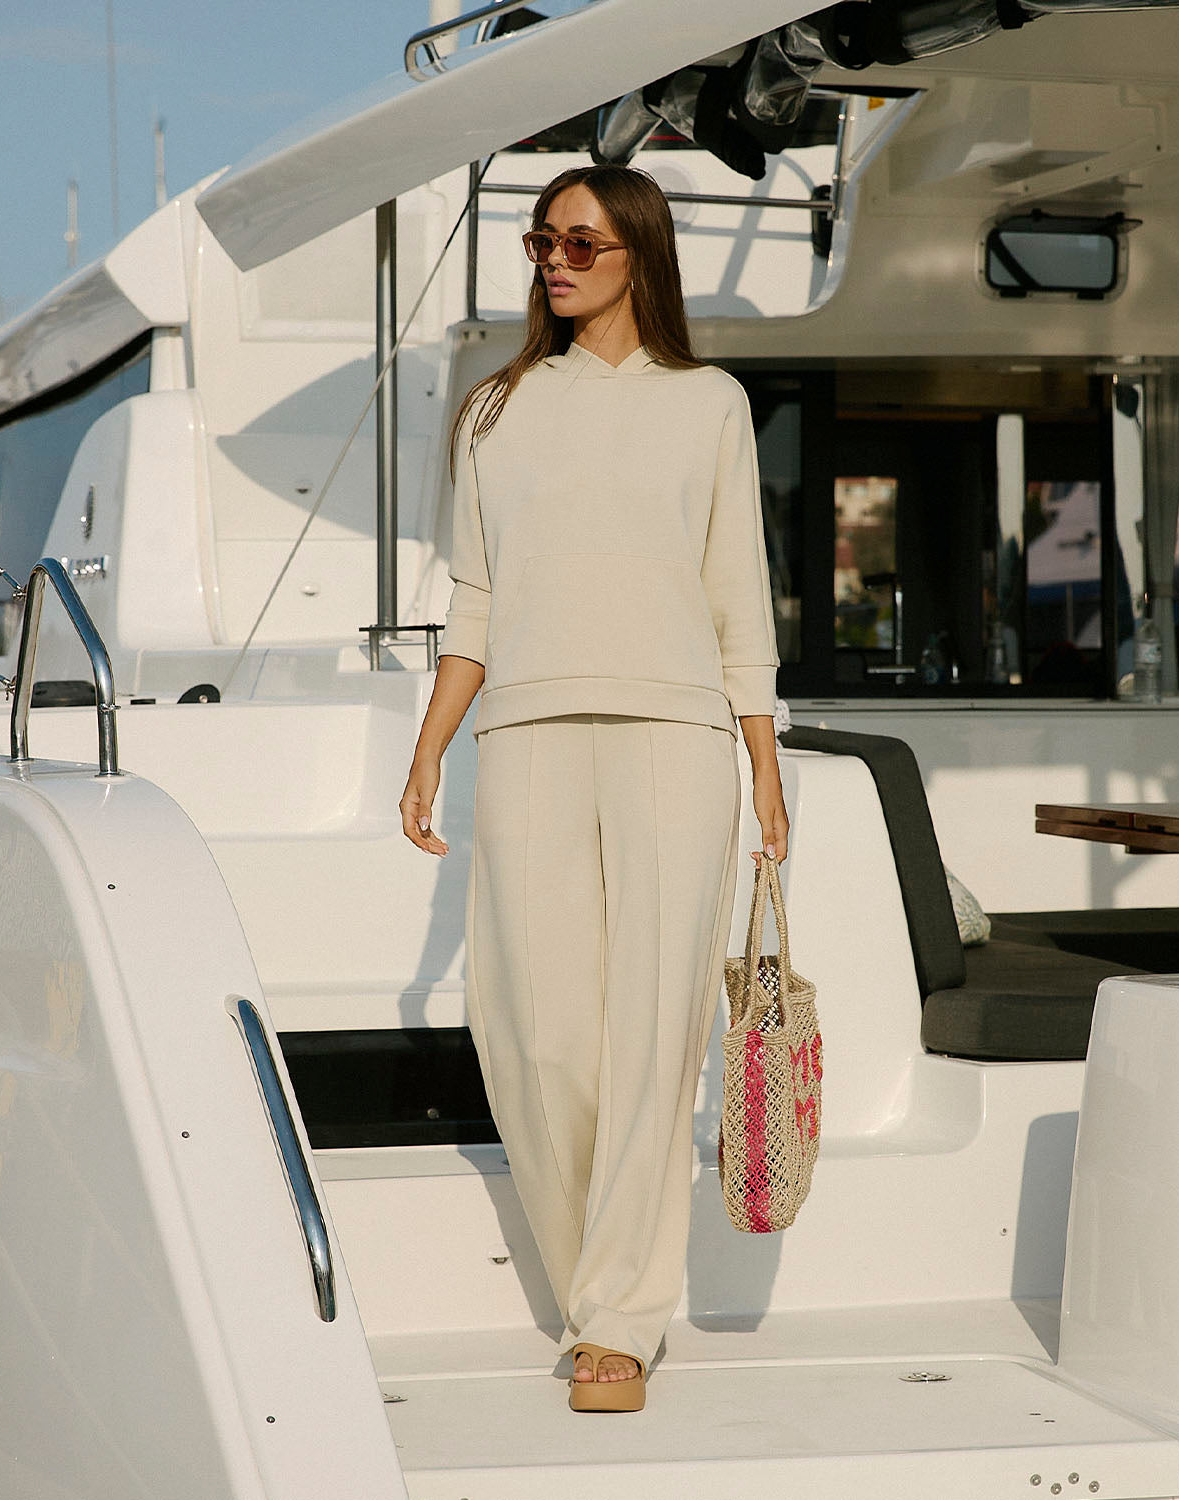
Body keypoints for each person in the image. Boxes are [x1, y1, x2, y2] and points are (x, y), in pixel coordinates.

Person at [400, 164, 788, 1413]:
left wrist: (764, 766)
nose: (552, 260)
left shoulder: (707, 403)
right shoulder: (494, 409)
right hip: (523, 730)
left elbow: (738, 593)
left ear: (637, 256)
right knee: (537, 1035)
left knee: (650, 1033)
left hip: (676, 735)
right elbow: (475, 593)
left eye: (578, 241)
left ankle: (616, 1319)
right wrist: (427, 746)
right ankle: (592, 1288)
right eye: (539, 240)